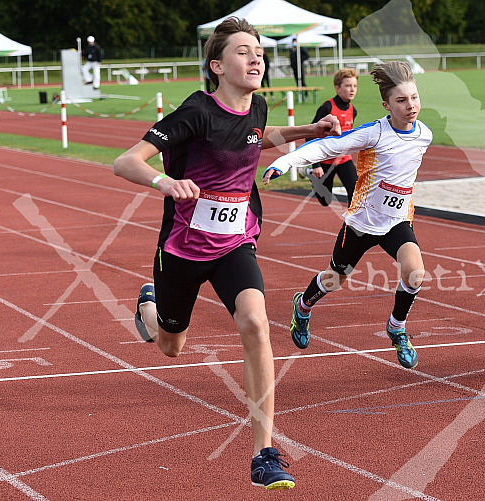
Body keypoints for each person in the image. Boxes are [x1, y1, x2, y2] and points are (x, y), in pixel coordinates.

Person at [112, 16, 341, 490]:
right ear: (217, 65)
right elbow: (125, 161)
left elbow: (259, 135)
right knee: (170, 346)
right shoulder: (194, 112)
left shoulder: (255, 108)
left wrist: (308, 130)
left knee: (256, 322)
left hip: (236, 241)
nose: (256, 56)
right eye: (243, 51)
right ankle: (149, 307)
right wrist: (167, 181)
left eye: (258, 50)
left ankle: (264, 452)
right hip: (182, 249)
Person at [263, 61, 433, 370]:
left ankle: (397, 327)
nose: (411, 106)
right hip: (361, 224)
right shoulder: (374, 134)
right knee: (334, 279)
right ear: (386, 105)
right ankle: (303, 306)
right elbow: (328, 146)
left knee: (415, 273)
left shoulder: (425, 135)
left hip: (396, 222)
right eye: (401, 100)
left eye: (414, 97)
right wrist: (287, 162)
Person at [305, 67, 359, 207]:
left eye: (354, 86)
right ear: (337, 88)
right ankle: (313, 177)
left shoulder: (353, 110)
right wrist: (315, 165)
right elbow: (310, 134)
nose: (352, 89)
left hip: (344, 159)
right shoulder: (327, 108)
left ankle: (351, 224)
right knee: (325, 201)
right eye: (348, 86)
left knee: (355, 192)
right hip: (325, 160)